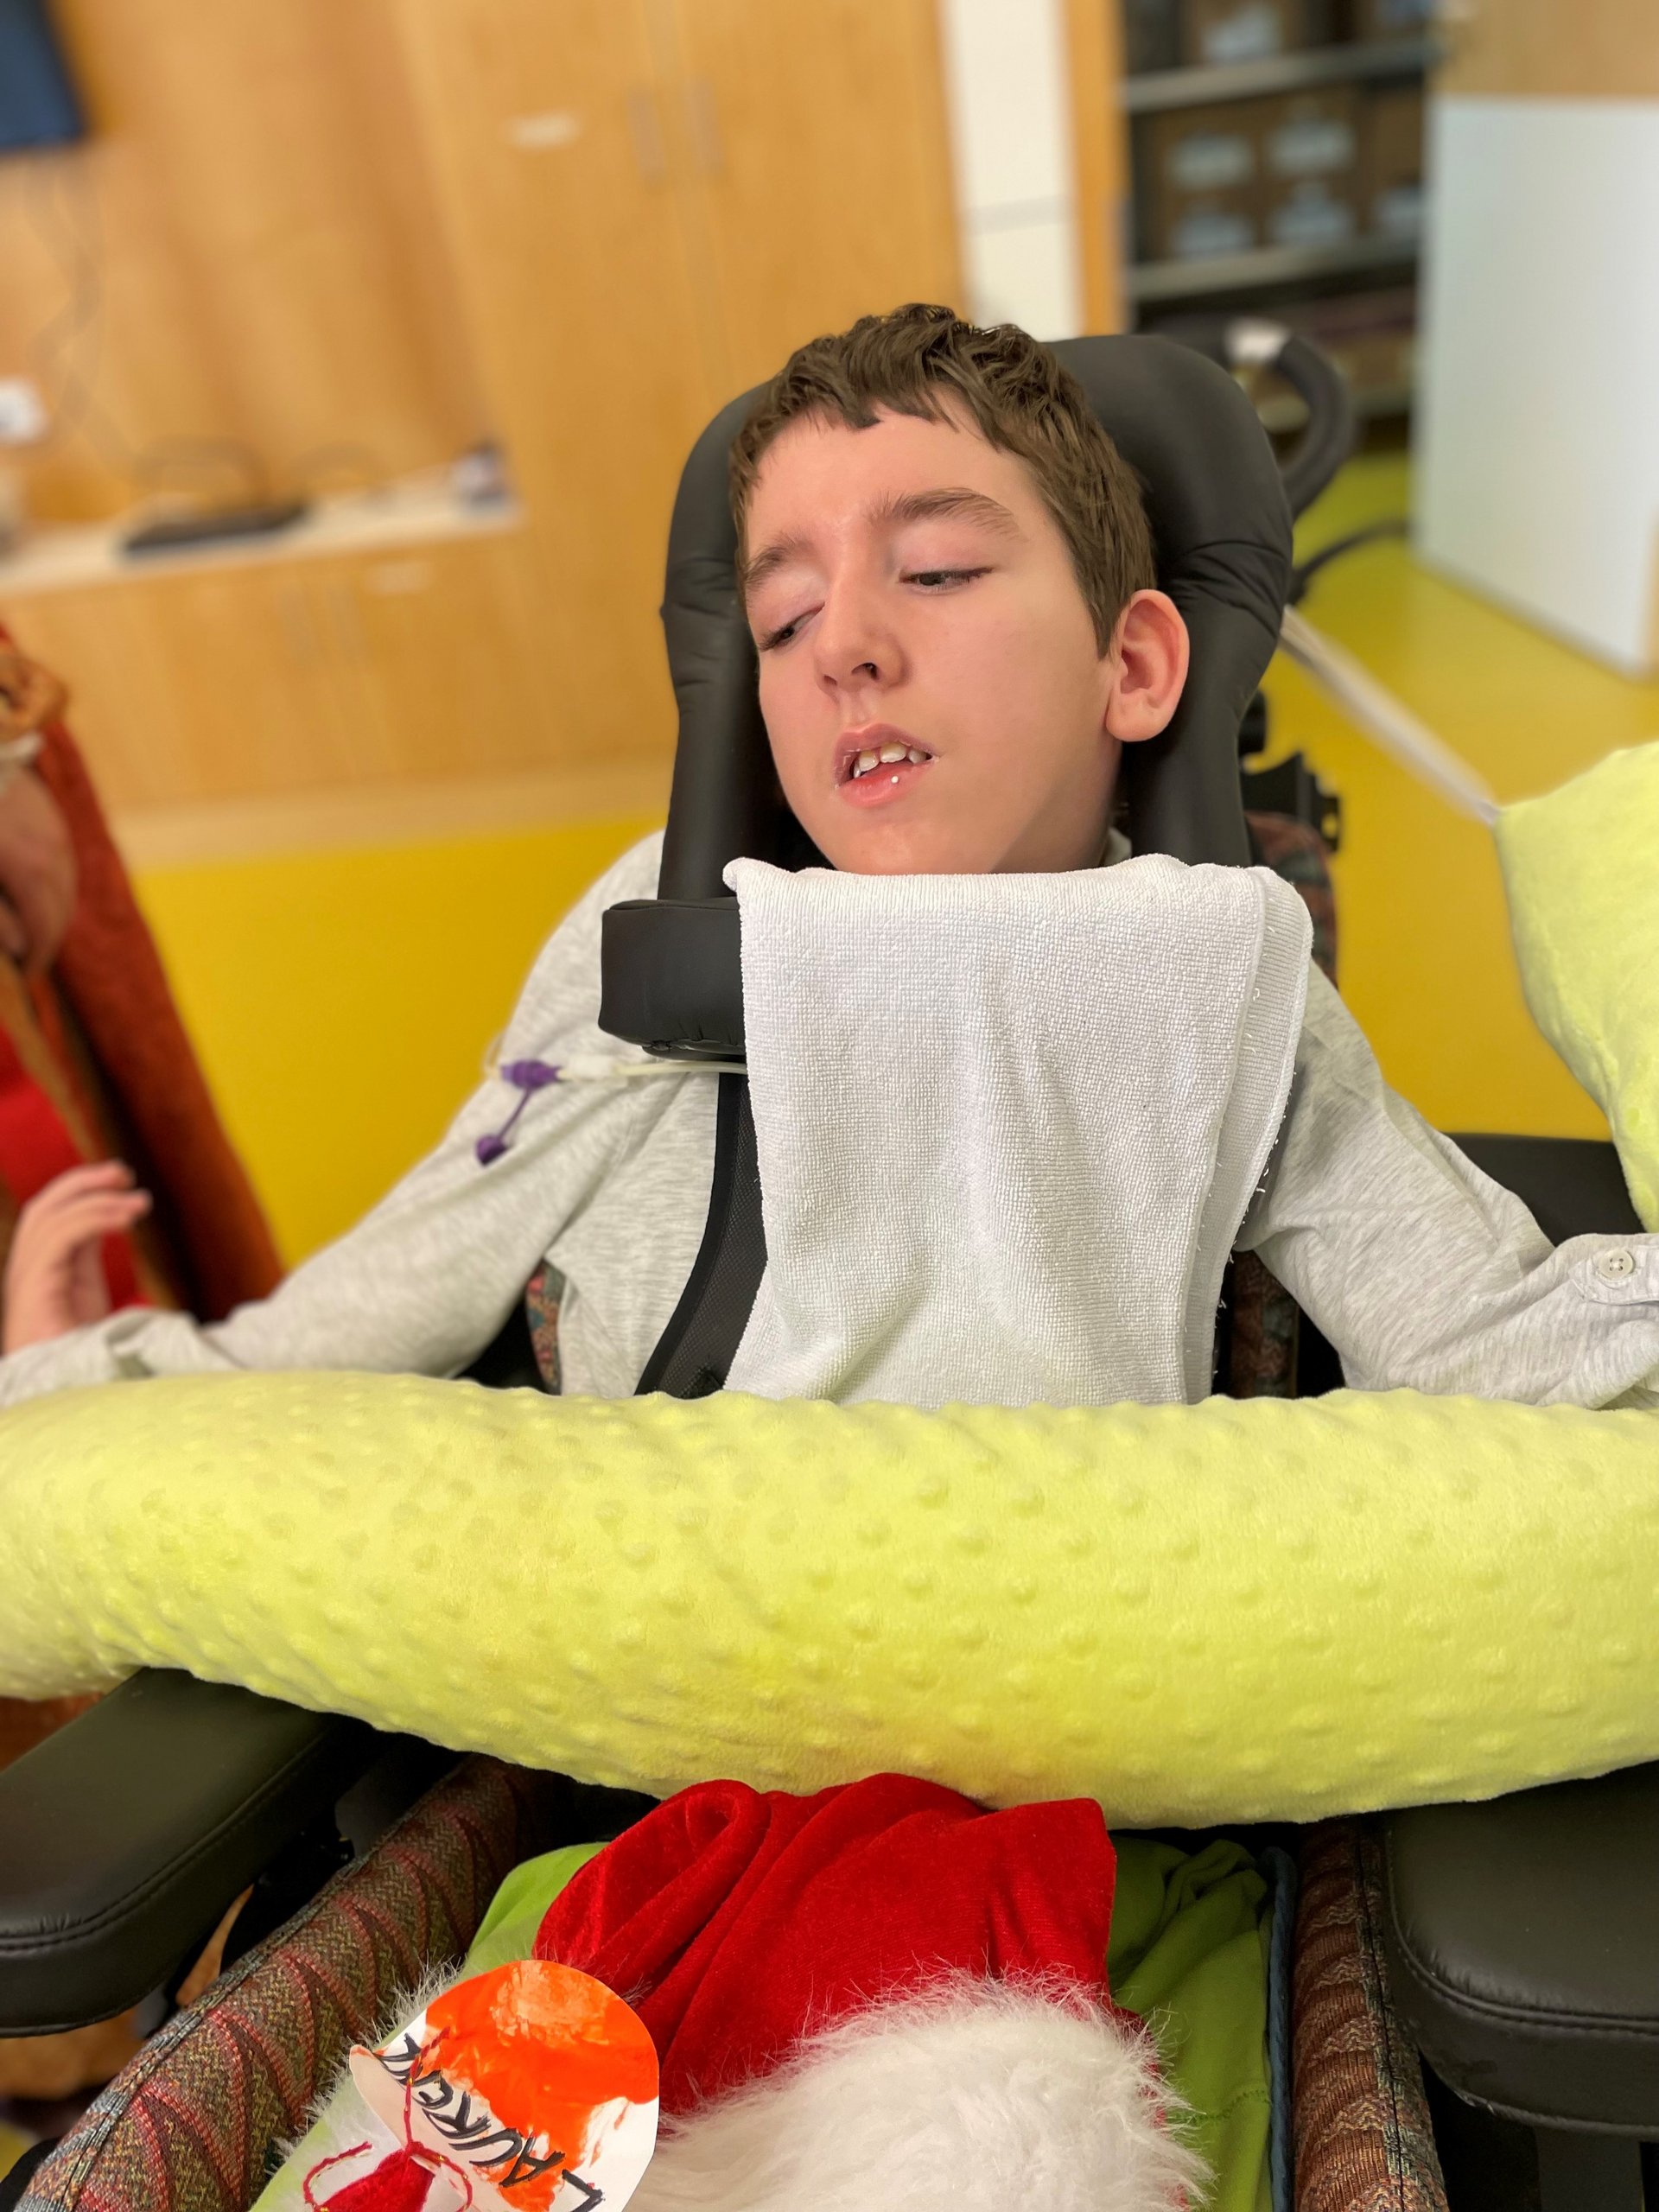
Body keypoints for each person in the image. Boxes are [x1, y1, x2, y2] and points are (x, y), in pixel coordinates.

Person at [1, 306, 1656, 1409]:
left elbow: (1500, 1339)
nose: (844, 644)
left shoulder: (1212, 980)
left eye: (934, 573)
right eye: (784, 617)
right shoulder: (653, 940)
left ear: (1140, 664)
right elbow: (409, 1278)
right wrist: (81, 1384)